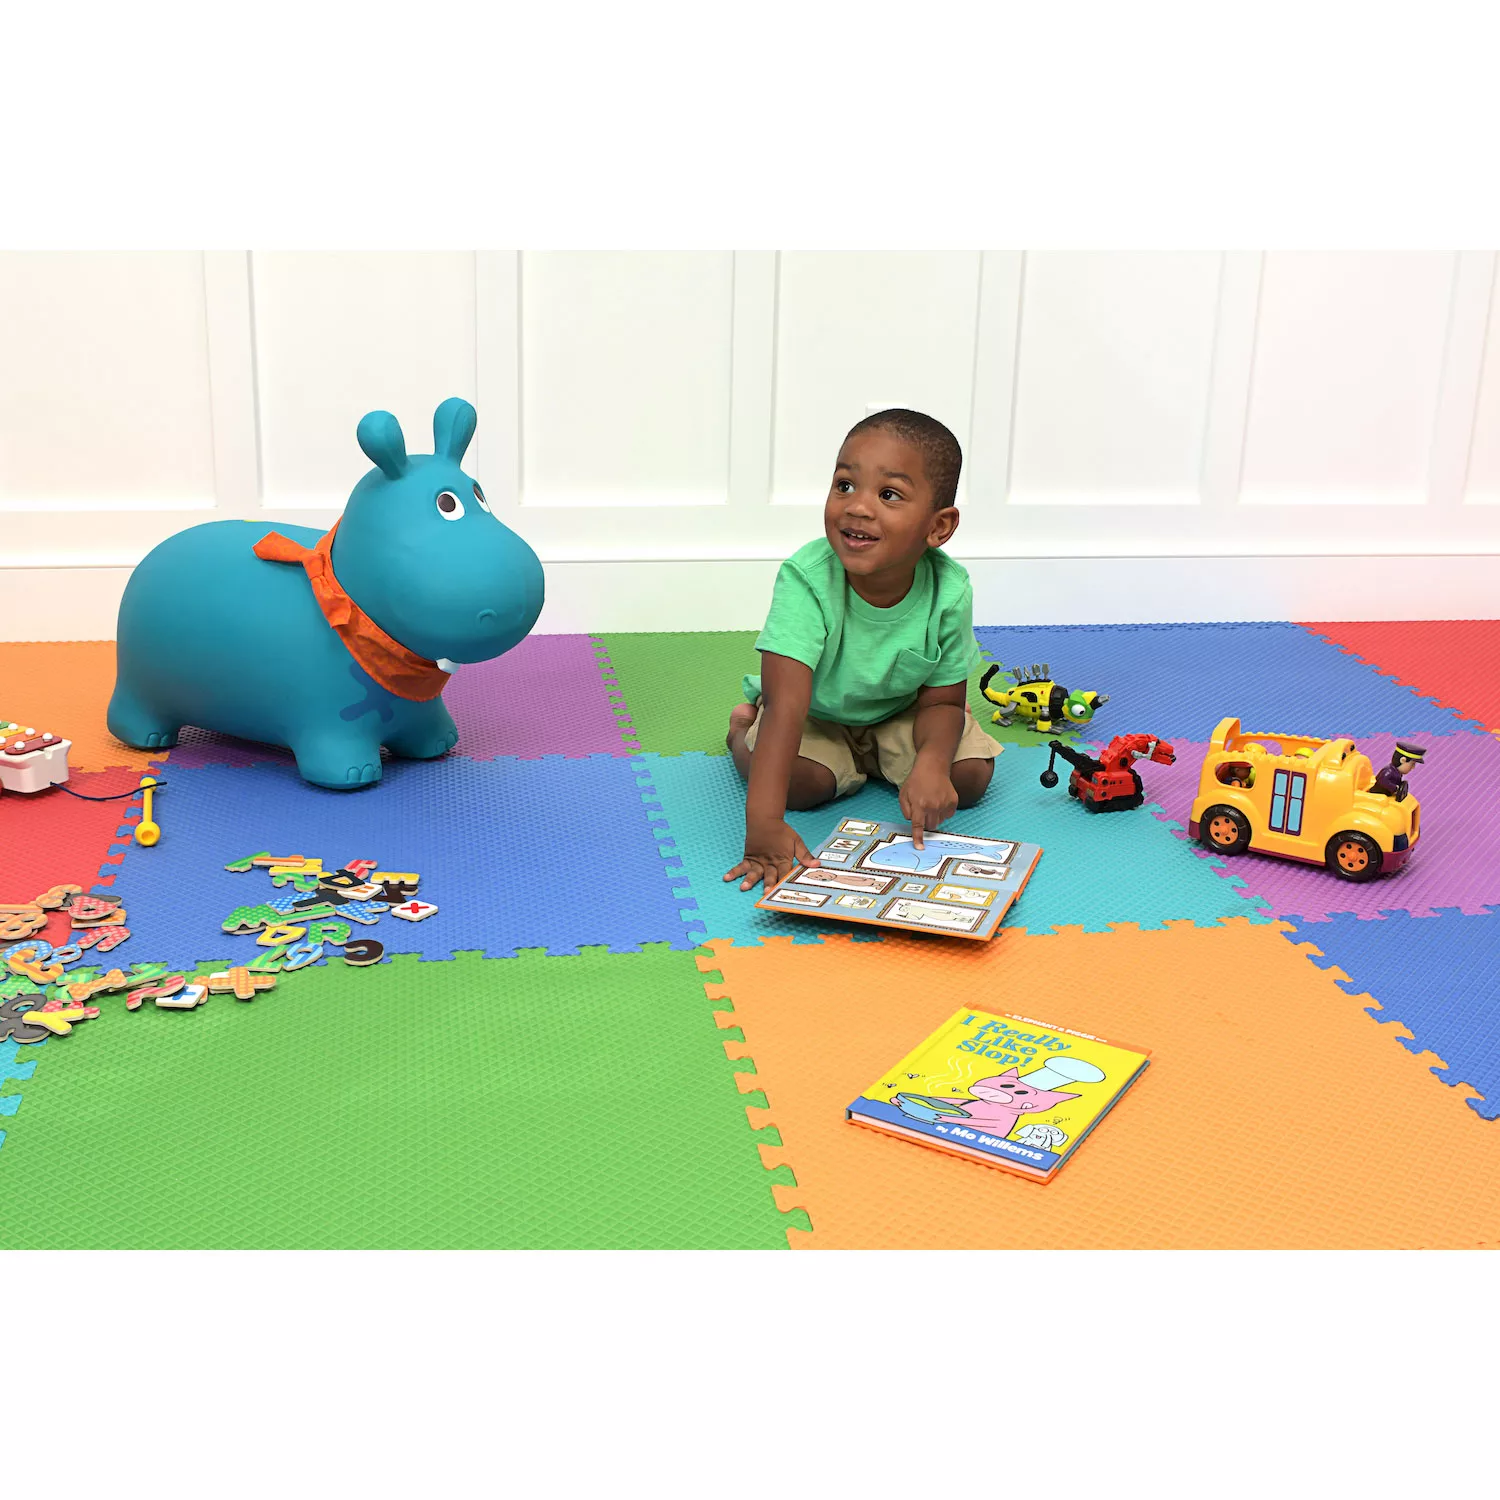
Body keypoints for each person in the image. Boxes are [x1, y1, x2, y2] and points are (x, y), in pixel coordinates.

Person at [723, 409, 1000, 893]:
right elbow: (788, 707)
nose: (857, 507)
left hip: (898, 714)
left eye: (888, 494)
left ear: (938, 527)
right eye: (845, 485)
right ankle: (739, 733)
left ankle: (883, 763)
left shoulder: (950, 590)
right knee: (802, 787)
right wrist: (763, 825)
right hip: (814, 714)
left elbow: (943, 701)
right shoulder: (806, 580)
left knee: (968, 779)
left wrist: (931, 766)